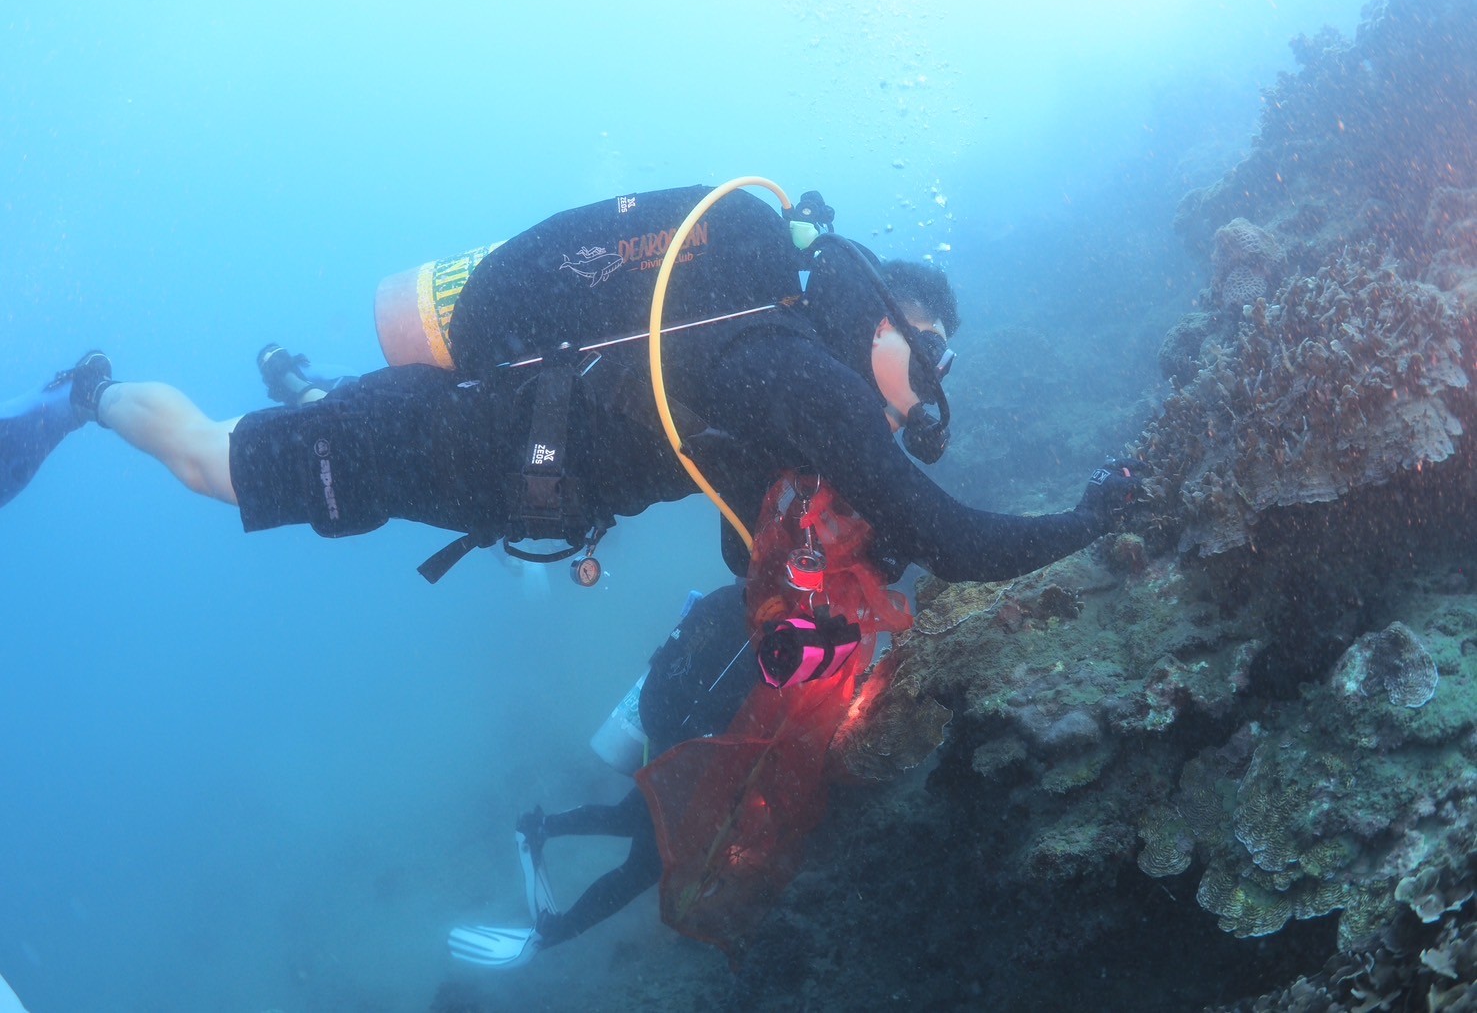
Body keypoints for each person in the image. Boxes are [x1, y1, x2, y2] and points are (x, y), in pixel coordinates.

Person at [0, 183, 1139, 584]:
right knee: (208, 462)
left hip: (477, 444)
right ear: (883, 321)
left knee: (331, 417)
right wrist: (1099, 519)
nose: (927, 390)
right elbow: (956, 539)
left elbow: (741, 541)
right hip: (448, 448)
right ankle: (85, 394)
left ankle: (308, 387)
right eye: (930, 356)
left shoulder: (776, 360)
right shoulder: (801, 376)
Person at [449, 585, 757, 968]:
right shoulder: (758, 620)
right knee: (643, 866)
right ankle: (555, 929)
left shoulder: (730, 600)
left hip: (679, 744)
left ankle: (539, 829)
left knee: (629, 820)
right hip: (692, 754)